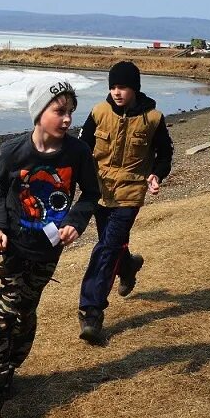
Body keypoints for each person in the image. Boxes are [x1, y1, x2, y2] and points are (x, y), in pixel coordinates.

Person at [0, 78, 101, 418]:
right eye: (59, 112)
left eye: (70, 112)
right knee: (5, 309)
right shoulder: (13, 151)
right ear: (39, 112)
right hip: (10, 246)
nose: (67, 120)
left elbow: (90, 193)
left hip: (48, 249)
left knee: (25, 311)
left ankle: (10, 367)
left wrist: (76, 220)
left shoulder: (77, 153)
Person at [77, 61, 173, 344]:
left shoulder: (153, 118)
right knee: (113, 245)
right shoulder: (98, 112)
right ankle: (128, 266)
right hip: (99, 191)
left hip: (130, 193)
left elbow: (165, 153)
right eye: (113, 87)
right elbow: (82, 150)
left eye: (123, 87)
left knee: (107, 247)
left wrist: (157, 174)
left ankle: (91, 311)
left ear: (135, 88)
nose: (117, 92)